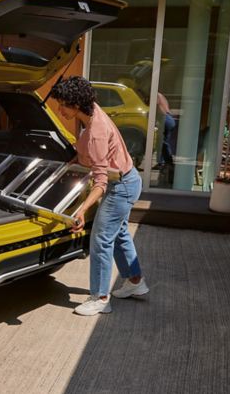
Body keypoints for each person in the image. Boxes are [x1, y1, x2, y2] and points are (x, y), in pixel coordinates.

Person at [49, 76, 149, 316]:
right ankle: (135, 282)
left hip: (120, 186)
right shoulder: (88, 112)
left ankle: (100, 298)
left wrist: (81, 210)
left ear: (75, 103)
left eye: (63, 104)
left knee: (101, 239)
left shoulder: (96, 132)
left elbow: (101, 182)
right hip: (126, 180)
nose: (59, 109)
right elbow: (86, 151)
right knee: (119, 234)